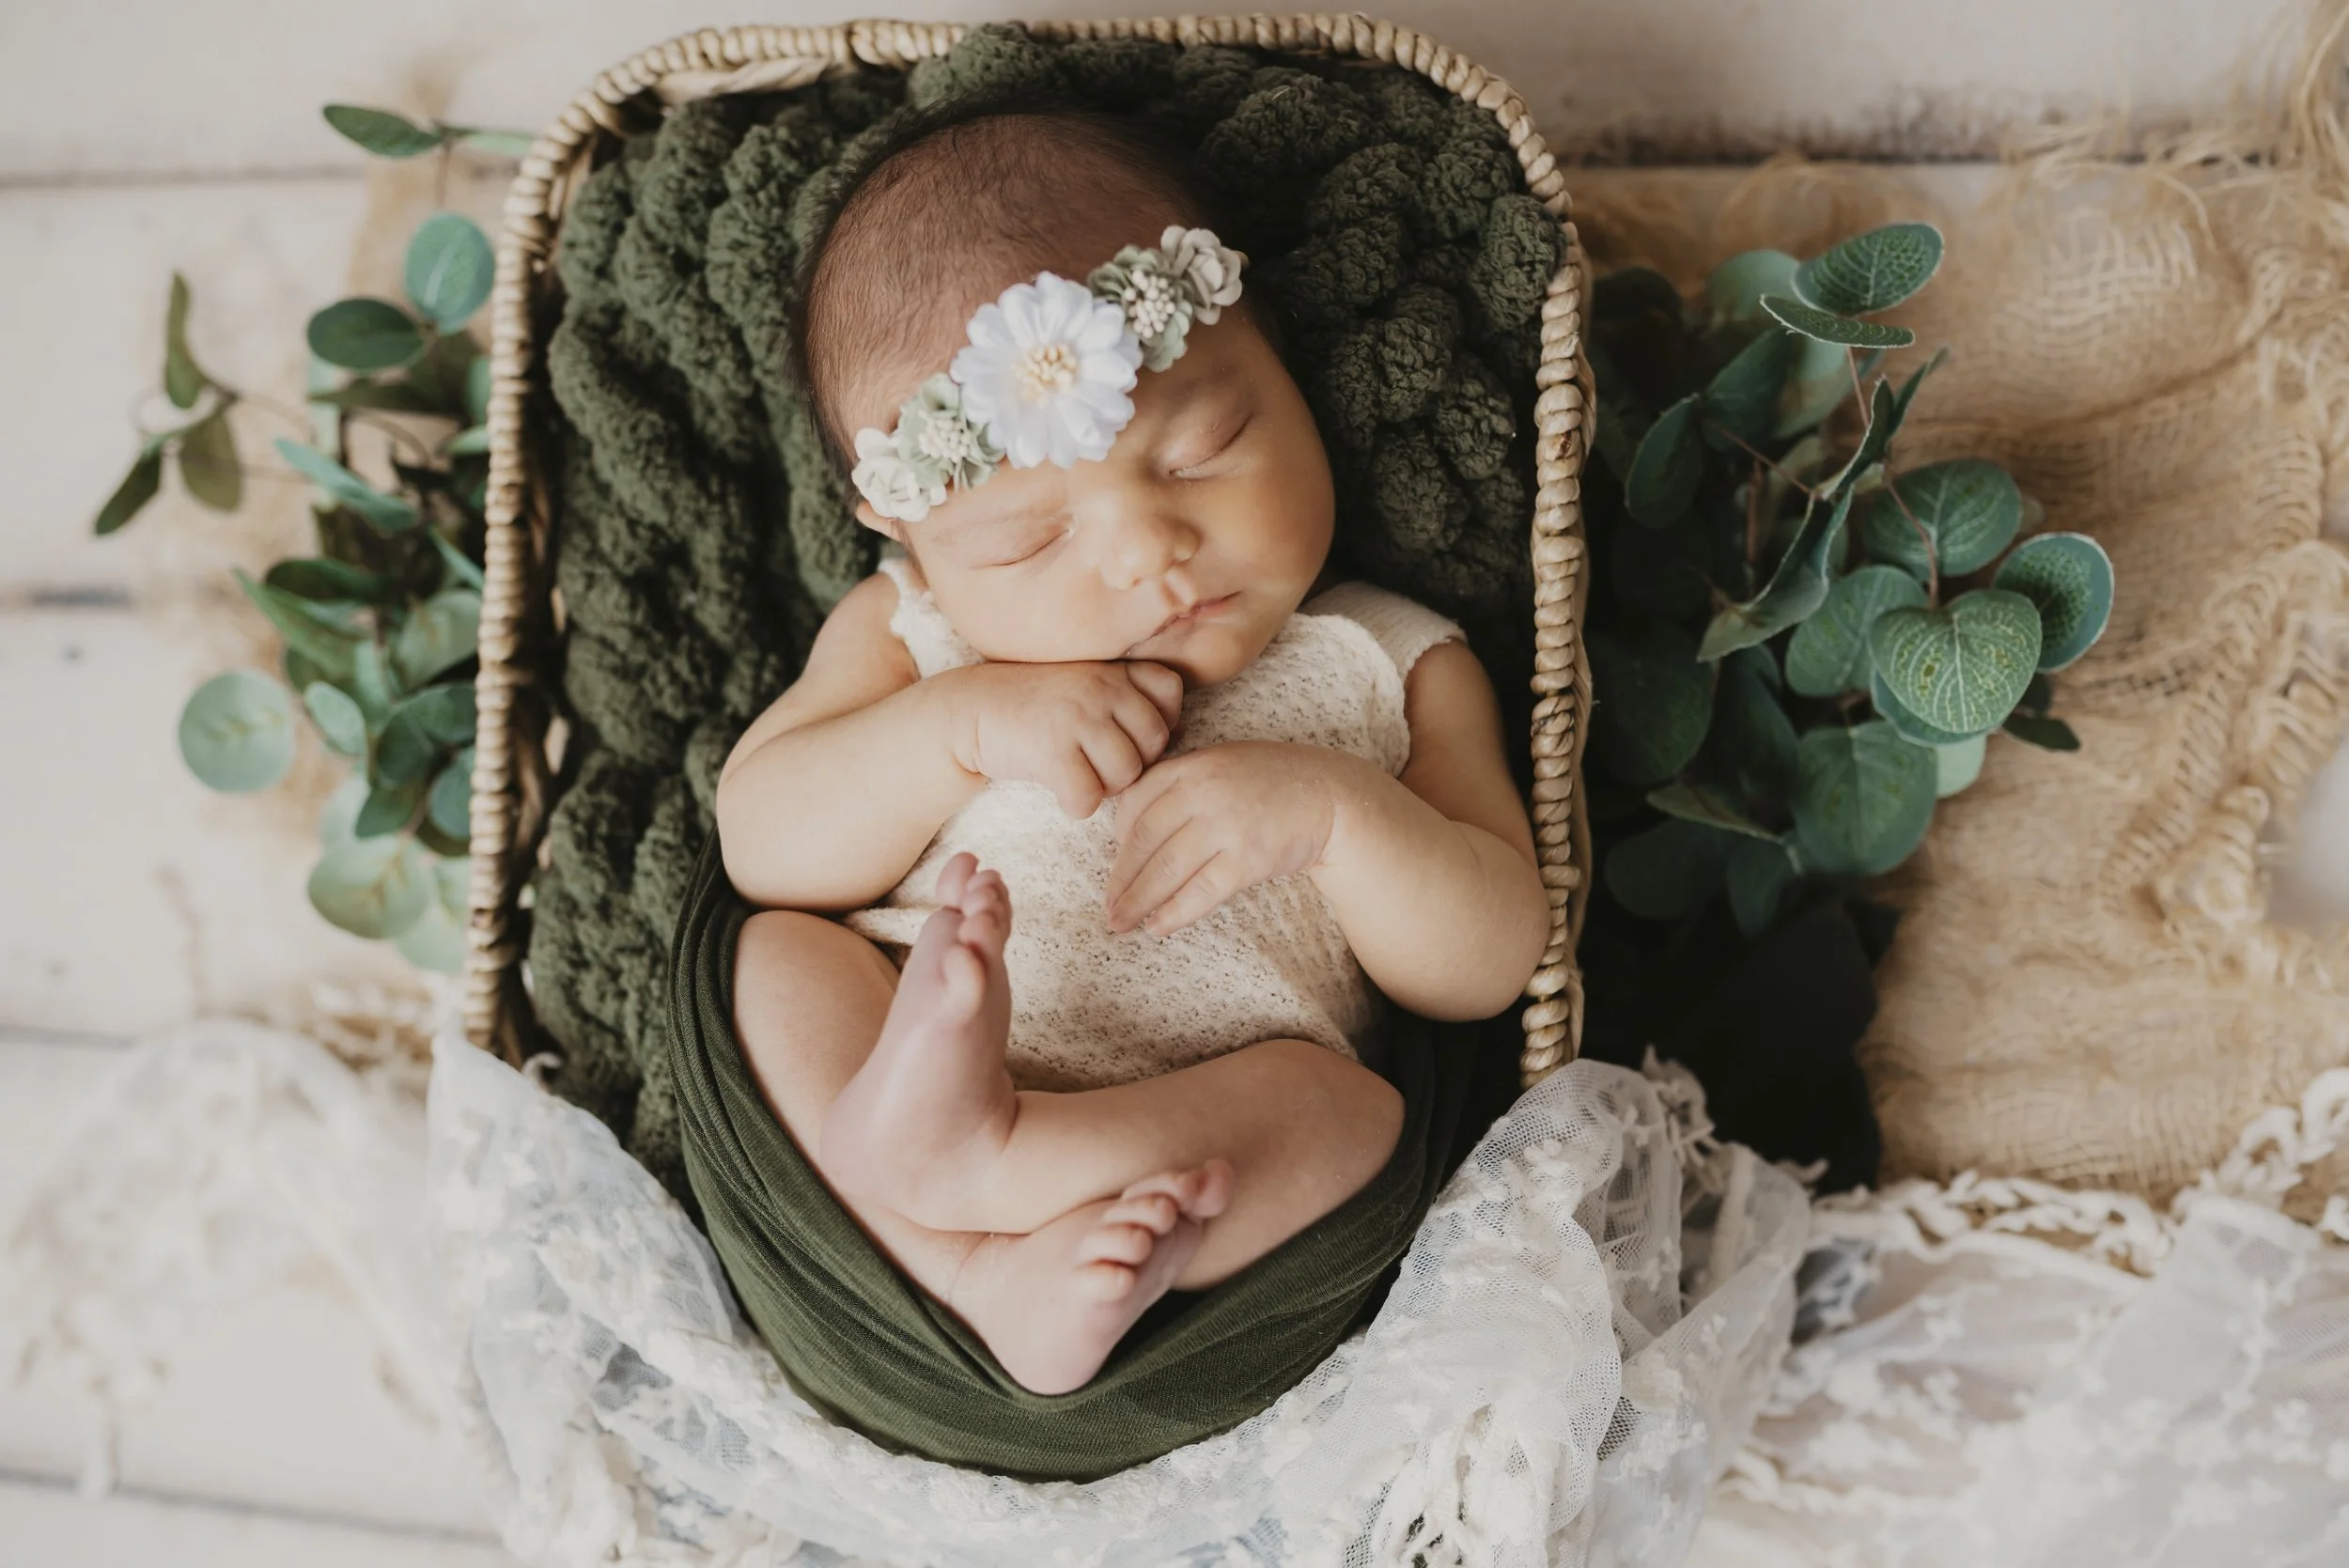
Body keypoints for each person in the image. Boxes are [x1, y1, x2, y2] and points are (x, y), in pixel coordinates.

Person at [711, 98, 1548, 1397]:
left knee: (1352, 1123)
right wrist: (956, 728)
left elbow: (1491, 958)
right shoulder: (916, 635)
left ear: (1283, 361)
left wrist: (1337, 819)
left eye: (1207, 449)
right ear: (912, 540)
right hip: (905, 1067)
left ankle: (989, 1181)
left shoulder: (1393, 661)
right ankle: (967, 1271)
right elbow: (764, 842)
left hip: (1195, 1136)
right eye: (1030, 541)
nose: (1147, 552)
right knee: (776, 960)